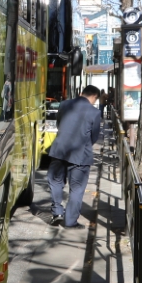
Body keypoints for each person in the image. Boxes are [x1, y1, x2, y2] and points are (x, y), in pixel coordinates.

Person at [47, 85, 102, 228]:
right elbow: (94, 136)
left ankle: (57, 212)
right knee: (76, 188)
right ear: (94, 97)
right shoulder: (94, 112)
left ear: (81, 93)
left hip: (59, 150)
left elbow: (59, 124)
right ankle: (70, 221)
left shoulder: (64, 104)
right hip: (80, 154)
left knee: (56, 182)